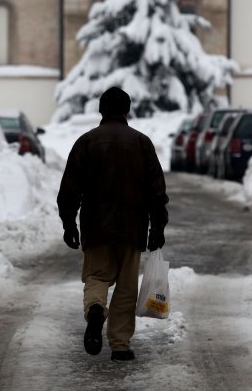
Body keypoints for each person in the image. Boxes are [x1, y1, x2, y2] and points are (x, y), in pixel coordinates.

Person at [57, 86, 169, 362]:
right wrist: (158, 227)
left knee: (96, 276)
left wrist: (69, 223)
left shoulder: (86, 142)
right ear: (127, 110)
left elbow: (69, 189)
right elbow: (157, 191)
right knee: (126, 287)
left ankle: (96, 309)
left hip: (96, 226)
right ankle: (120, 345)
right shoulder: (142, 143)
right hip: (133, 227)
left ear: (100, 110)